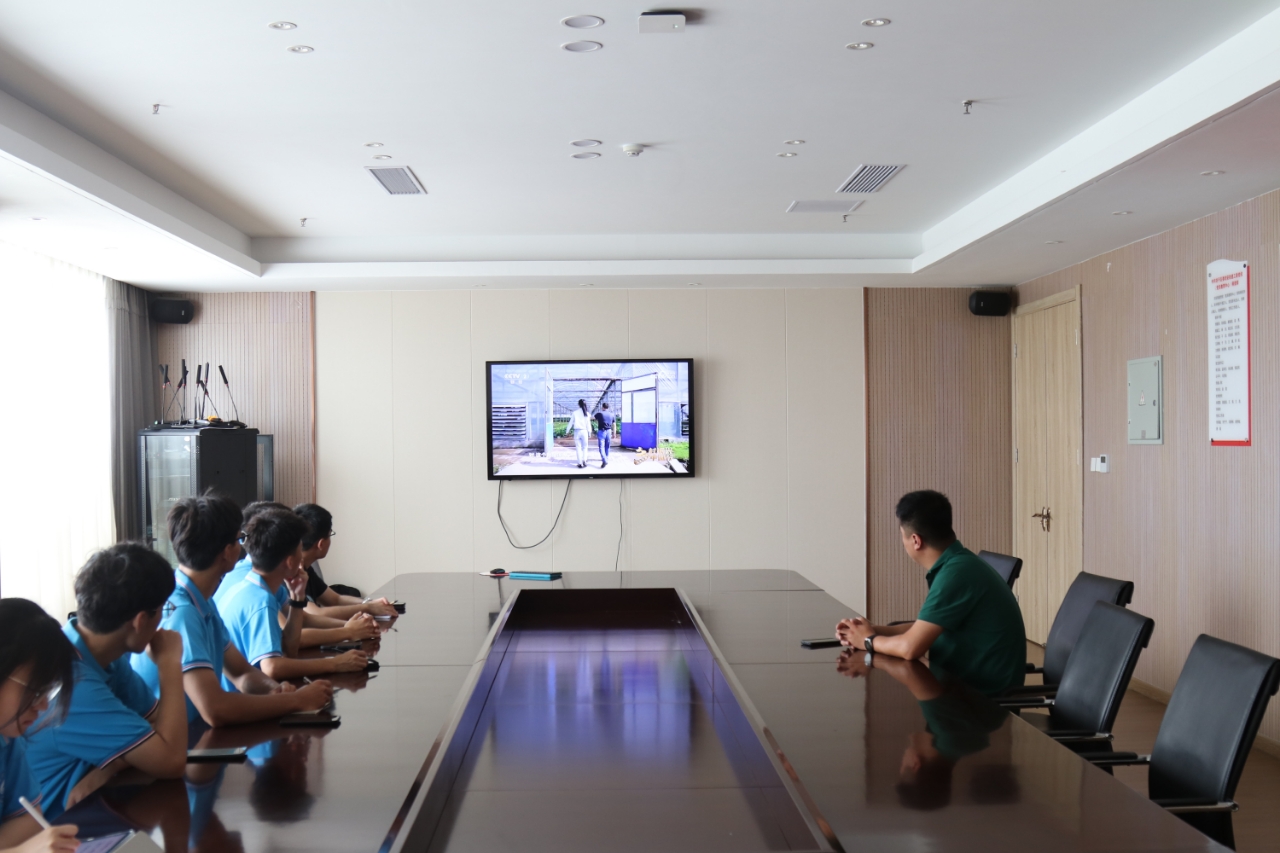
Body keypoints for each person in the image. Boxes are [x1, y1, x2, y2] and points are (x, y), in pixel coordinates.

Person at [131, 493, 334, 727]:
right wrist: (296, 700)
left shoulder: (202, 600)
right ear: (227, 552)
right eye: (240, 539)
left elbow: (241, 673)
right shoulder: (182, 612)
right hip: (172, 739)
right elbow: (215, 710)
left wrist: (276, 690)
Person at [25, 545, 189, 819]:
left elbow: (159, 723)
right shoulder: (75, 685)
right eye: (163, 609)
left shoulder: (101, 656)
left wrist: (110, 764)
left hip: (91, 811)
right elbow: (171, 760)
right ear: (140, 620)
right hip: (56, 829)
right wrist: (170, 663)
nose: (163, 620)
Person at [835, 490, 1026, 695]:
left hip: (979, 702)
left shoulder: (956, 574)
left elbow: (911, 648)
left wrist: (867, 640)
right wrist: (869, 630)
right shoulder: (958, 563)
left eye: (902, 536)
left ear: (916, 541)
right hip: (960, 689)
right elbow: (924, 628)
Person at [214, 507, 368, 681]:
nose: (302, 556)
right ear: (289, 561)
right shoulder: (260, 601)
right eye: (300, 549)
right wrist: (335, 663)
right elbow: (272, 667)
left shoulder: (257, 586)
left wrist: (297, 599)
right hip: (246, 696)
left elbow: (289, 651)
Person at [228, 502, 380, 647]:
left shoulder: (268, 573)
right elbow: (287, 641)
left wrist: (353, 626)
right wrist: (348, 631)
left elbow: (304, 619)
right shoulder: (254, 582)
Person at [0, 599, 79, 853]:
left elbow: (29, 821)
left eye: (48, 689)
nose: (43, 705)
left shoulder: (7, 738)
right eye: (35, 689)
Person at [292, 504, 396, 622]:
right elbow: (317, 614)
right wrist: (367, 608)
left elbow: (335, 599)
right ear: (321, 544)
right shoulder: (289, 571)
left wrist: (369, 603)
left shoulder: (306, 568)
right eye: (330, 535)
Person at [570, 399, 591, 469]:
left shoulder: (575, 413)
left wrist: (567, 430)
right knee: (585, 447)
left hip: (577, 432)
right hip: (584, 432)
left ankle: (580, 463)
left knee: (578, 448)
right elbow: (588, 424)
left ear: (578, 404)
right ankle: (584, 460)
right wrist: (589, 432)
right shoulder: (587, 414)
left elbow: (571, 422)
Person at [594, 402, 615, 469]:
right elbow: (614, 425)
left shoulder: (600, 413)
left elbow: (593, 418)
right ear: (608, 407)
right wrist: (614, 433)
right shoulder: (612, 414)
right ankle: (606, 458)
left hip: (601, 431)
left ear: (602, 407)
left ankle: (605, 460)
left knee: (601, 447)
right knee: (607, 446)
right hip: (609, 431)